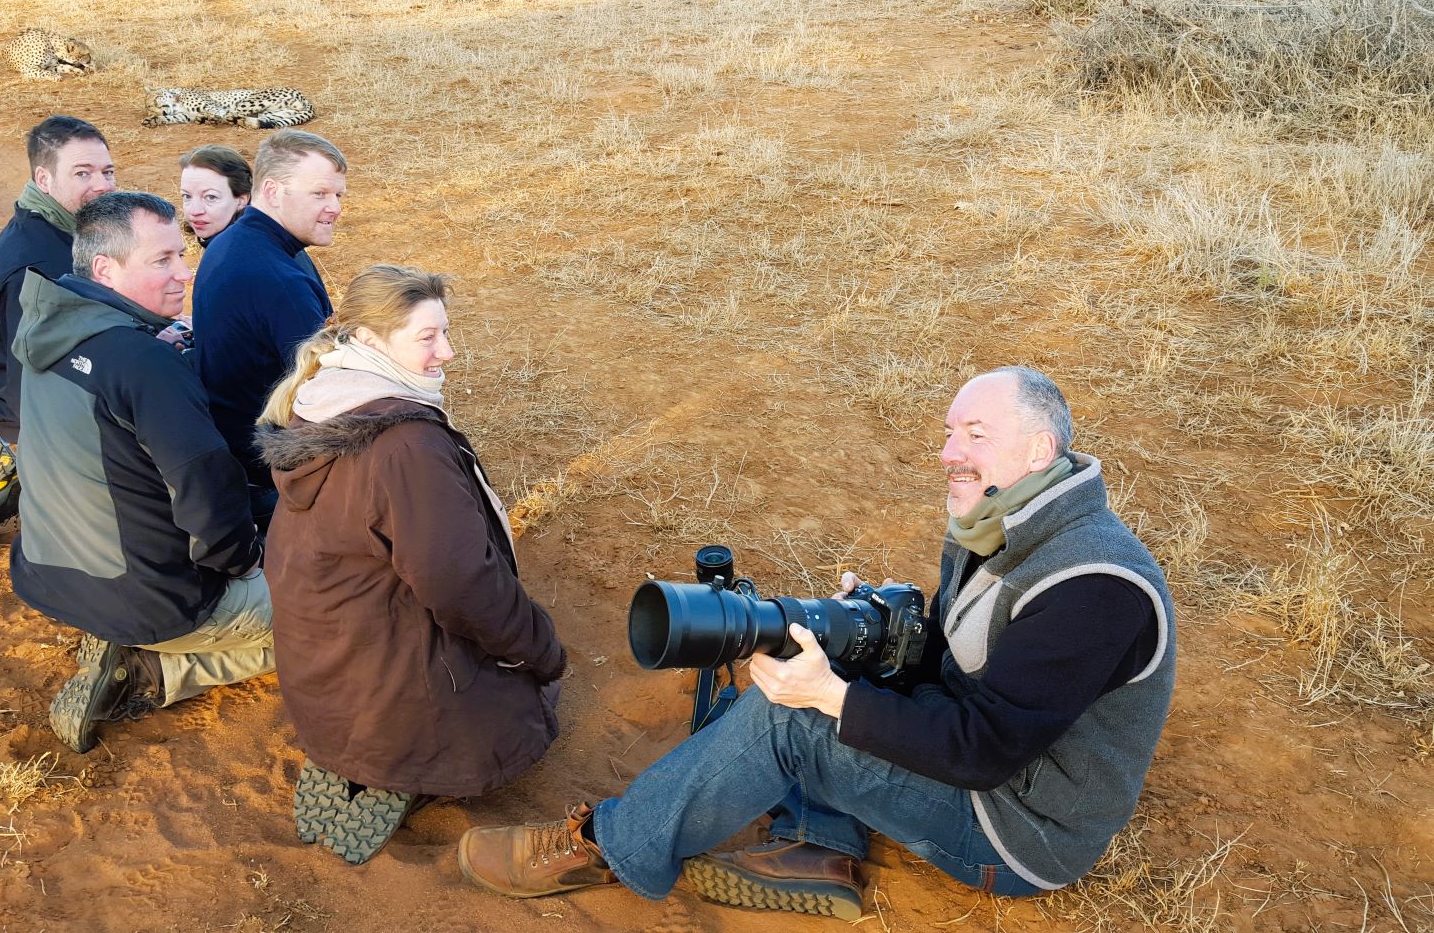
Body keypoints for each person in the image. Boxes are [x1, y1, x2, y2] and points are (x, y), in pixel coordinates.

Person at [459, 367, 1175, 921]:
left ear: (1040, 449)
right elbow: (965, 666)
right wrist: (879, 638)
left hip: (1019, 831)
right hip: (987, 769)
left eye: (976, 435)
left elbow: (982, 749)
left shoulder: (1092, 586)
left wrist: (832, 698)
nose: (948, 452)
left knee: (794, 716)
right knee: (830, 658)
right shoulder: (1002, 519)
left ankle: (613, 848)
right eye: (950, 432)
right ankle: (822, 846)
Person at [255, 265, 566, 865]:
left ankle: (355, 753)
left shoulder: (320, 402)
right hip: (390, 699)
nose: (446, 353)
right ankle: (406, 766)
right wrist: (541, 649)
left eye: (445, 332)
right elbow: (463, 585)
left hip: (322, 680)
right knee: (531, 694)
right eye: (427, 337)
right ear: (368, 340)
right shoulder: (406, 446)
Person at [9, 191, 272, 754]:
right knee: (347, 613)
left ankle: (134, 643)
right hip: (149, 600)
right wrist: (247, 561)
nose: (184, 273)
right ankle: (152, 670)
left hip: (51, 571)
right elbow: (208, 494)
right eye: (162, 260)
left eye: (181, 255)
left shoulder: (48, 330)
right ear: (106, 270)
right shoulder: (143, 364)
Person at [0, 115, 117, 549]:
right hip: (26, 406)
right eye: (83, 173)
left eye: (107, 171)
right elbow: (29, 382)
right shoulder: (40, 265)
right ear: (44, 179)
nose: (102, 185)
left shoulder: (58, 227)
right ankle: (22, 468)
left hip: (46, 382)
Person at [193, 130, 346, 531]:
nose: (335, 208)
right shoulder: (279, 279)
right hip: (268, 470)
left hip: (231, 443)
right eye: (320, 194)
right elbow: (327, 392)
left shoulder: (232, 241)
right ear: (274, 191)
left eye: (337, 195)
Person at [178, 144, 251, 245]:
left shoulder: (238, 250)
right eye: (187, 196)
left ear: (241, 200)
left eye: (211, 197)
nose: (195, 211)